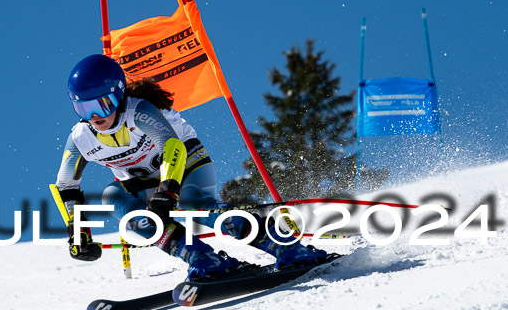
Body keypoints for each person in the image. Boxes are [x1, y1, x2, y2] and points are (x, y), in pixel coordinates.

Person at [55, 54, 327, 281]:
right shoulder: (80, 138)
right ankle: (201, 257)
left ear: (117, 95)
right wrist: (77, 230)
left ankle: (285, 245)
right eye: (83, 109)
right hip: (143, 181)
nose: (94, 117)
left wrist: (167, 193)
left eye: (102, 106)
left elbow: (172, 148)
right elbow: (67, 185)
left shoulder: (138, 112)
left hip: (185, 162)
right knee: (115, 201)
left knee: (192, 203)